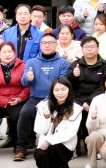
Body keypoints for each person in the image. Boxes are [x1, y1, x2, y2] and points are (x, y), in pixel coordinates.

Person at [14, 33, 69, 161]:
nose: (47, 45)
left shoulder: (63, 63)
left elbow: (63, 83)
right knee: (25, 113)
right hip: (36, 98)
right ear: (40, 45)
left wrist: (46, 101)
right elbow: (24, 82)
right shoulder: (32, 62)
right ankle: (21, 148)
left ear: (56, 45)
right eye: (44, 43)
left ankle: (56, 146)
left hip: (56, 98)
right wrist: (28, 78)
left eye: (50, 43)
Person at [68, 36, 106, 153]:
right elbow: (67, 85)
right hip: (77, 99)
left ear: (98, 48)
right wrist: (73, 75)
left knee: (94, 112)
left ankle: (95, 146)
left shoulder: (105, 65)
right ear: (82, 49)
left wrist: (89, 101)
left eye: (92, 47)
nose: (89, 49)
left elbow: (104, 86)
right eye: (86, 47)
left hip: (97, 99)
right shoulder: (75, 65)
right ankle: (74, 147)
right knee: (73, 110)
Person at [33, 77, 81, 168]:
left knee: (54, 150)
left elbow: (70, 132)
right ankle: (59, 166)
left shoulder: (76, 109)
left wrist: (49, 141)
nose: (60, 93)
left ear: (69, 90)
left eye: (63, 89)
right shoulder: (43, 106)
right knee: (40, 155)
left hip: (64, 146)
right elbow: (39, 130)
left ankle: (60, 165)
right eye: (57, 90)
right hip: (44, 144)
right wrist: (46, 117)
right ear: (52, 91)